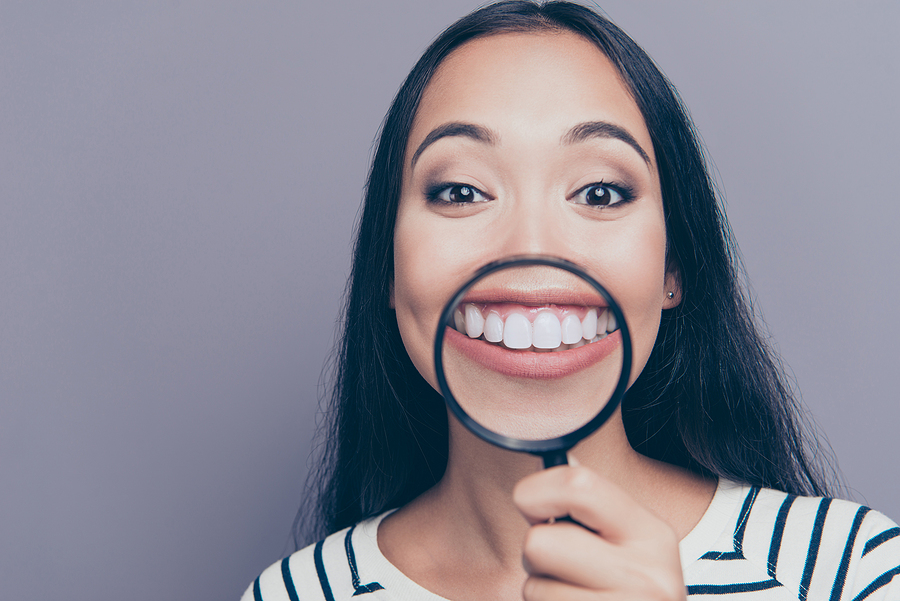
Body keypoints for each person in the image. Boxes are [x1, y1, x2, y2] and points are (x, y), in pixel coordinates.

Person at [243, 2, 899, 599]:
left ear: (675, 267)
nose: (531, 245)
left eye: (601, 192)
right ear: (389, 268)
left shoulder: (852, 572)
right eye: (462, 191)